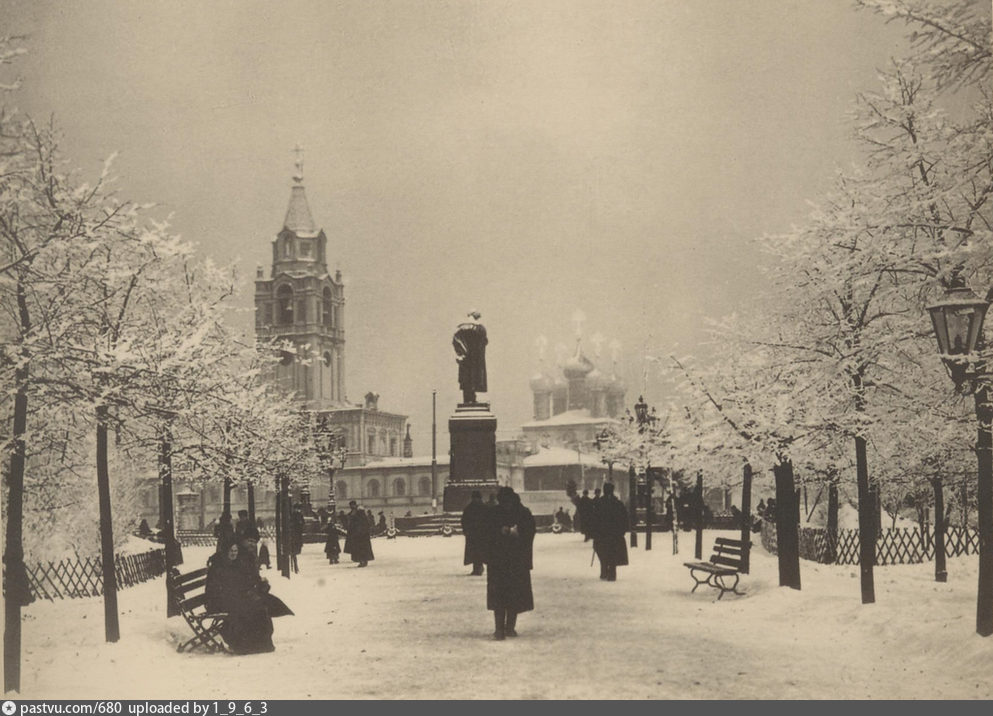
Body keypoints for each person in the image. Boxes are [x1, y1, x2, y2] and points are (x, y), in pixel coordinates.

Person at [205, 537, 275, 654]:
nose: (234, 554)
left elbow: (239, 582)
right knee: (247, 609)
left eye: (236, 551)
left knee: (259, 607)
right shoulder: (218, 566)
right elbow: (215, 589)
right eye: (231, 551)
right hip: (217, 602)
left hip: (230, 599)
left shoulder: (233, 563)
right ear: (226, 551)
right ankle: (243, 645)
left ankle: (261, 644)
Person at [484, 486, 536, 640]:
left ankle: (502, 629)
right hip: (513, 562)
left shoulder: (495, 513)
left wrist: (510, 533)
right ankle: (506, 628)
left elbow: (486, 533)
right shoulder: (523, 512)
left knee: (501, 595)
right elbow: (530, 532)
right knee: (511, 594)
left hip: (501, 562)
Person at [593, 483, 629, 582]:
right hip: (615, 534)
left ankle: (604, 569)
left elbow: (594, 519)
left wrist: (594, 531)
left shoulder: (599, 503)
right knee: (613, 552)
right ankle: (612, 572)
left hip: (602, 533)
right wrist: (622, 530)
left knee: (602, 551)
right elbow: (624, 518)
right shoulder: (618, 503)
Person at [453, 310, 488, 404]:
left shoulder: (462, 327)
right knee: (472, 379)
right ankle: (471, 398)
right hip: (475, 358)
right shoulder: (480, 328)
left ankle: (469, 398)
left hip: (467, 358)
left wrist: (461, 353)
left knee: (467, 379)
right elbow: (484, 341)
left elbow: (456, 340)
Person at [461, 490, 488, 575]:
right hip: (479, 533)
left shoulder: (469, 508)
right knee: (478, 552)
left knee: (475, 552)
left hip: (474, 533)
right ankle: (478, 568)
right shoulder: (484, 507)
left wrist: (466, 530)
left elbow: (464, 521)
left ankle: (477, 568)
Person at [344, 500, 374, 567]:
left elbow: (361, 524)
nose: (351, 507)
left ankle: (363, 561)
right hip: (358, 535)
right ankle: (362, 561)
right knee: (360, 549)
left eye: (352, 505)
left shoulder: (359, 513)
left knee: (361, 549)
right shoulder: (354, 513)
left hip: (360, 535)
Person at [290, 506, 304, 574]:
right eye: (295, 508)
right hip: (294, 533)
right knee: (295, 544)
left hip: (298, 532)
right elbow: (291, 523)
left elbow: (303, 522)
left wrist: (301, 523)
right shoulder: (292, 515)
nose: (296, 510)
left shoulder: (300, 514)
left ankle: (297, 549)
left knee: (298, 542)